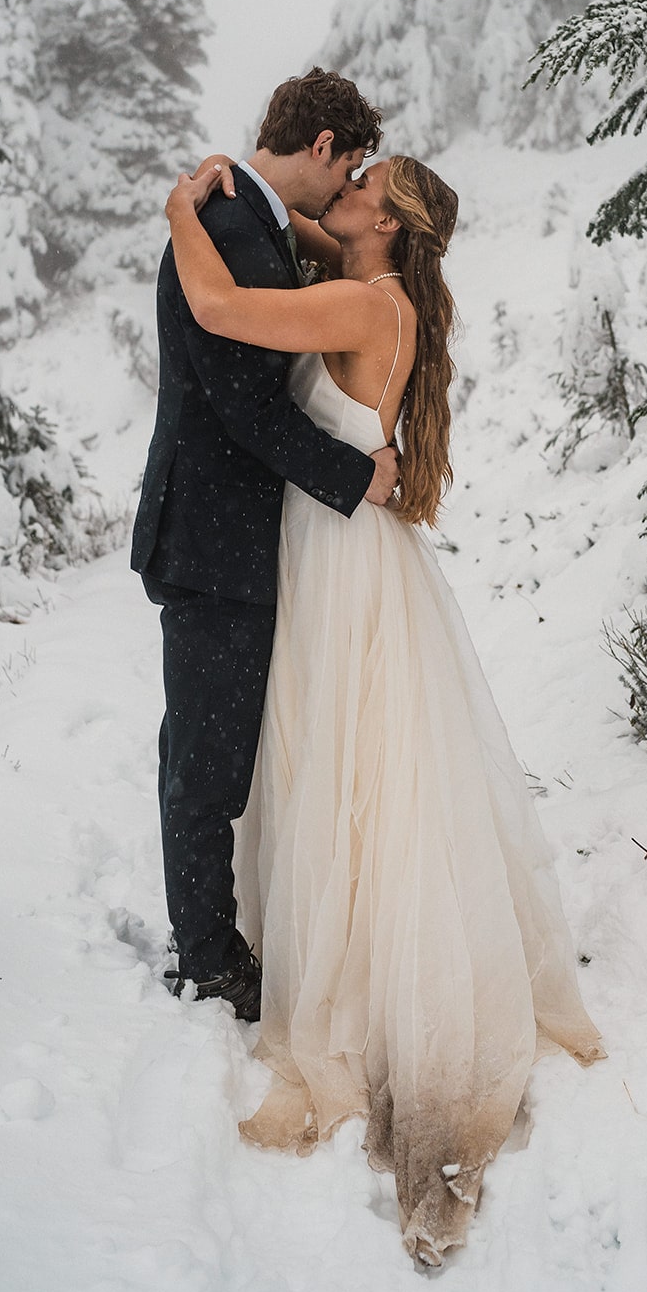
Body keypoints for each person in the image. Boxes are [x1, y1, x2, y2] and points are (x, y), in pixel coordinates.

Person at [163, 152, 606, 1268]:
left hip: (340, 559)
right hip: (348, 548)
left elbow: (219, 302)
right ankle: (351, 942)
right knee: (357, 764)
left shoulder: (367, 296)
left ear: (387, 221)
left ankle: (360, 979)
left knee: (353, 765)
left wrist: (178, 202)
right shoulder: (375, 277)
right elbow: (297, 232)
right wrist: (266, 197)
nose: (342, 189)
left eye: (360, 183)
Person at [130, 70, 398, 1024]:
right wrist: (352, 475)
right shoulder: (231, 225)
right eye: (349, 162)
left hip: (233, 538)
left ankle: (214, 935)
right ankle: (207, 958)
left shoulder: (247, 217)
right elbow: (244, 405)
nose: (347, 185)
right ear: (322, 144)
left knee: (214, 749)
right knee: (204, 764)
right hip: (211, 540)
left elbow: (337, 245)